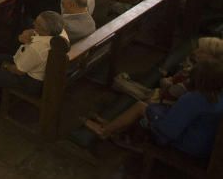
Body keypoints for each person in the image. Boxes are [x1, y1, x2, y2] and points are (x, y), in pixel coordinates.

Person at [85, 58, 223, 161]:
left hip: (186, 147)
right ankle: (112, 127)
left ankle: (104, 131)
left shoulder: (194, 98)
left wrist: (153, 112)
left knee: (142, 107)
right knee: (151, 106)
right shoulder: (217, 97)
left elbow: (167, 130)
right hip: (204, 146)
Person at [0, 11, 67, 116]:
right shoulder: (58, 35)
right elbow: (28, 40)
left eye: (37, 23)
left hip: (28, 81)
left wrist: (5, 66)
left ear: (44, 30)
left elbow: (18, 71)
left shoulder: (37, 48)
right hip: (31, 68)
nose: (33, 24)